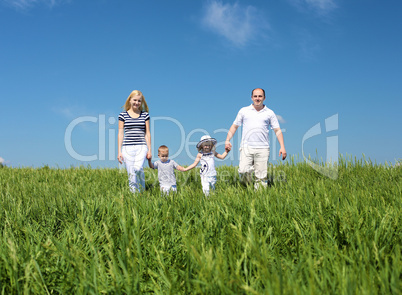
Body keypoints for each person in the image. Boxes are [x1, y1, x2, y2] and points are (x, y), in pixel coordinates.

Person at [225, 88, 287, 189]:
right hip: (246, 147)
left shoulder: (270, 113)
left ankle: (258, 197)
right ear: (251, 97)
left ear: (264, 98)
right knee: (243, 171)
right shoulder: (244, 111)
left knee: (261, 177)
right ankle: (248, 188)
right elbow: (234, 126)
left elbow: (277, 130)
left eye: (260, 96)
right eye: (255, 96)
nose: (257, 98)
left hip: (263, 148)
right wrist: (227, 140)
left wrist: (282, 146)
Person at [117, 90, 152, 193]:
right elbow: (120, 133)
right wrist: (119, 151)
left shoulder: (145, 115)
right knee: (131, 173)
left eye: (139, 101)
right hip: (127, 147)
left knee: (137, 168)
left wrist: (149, 149)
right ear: (130, 100)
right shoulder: (123, 115)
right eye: (135, 100)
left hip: (141, 146)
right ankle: (135, 196)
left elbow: (147, 133)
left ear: (142, 102)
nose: (137, 103)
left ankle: (141, 190)